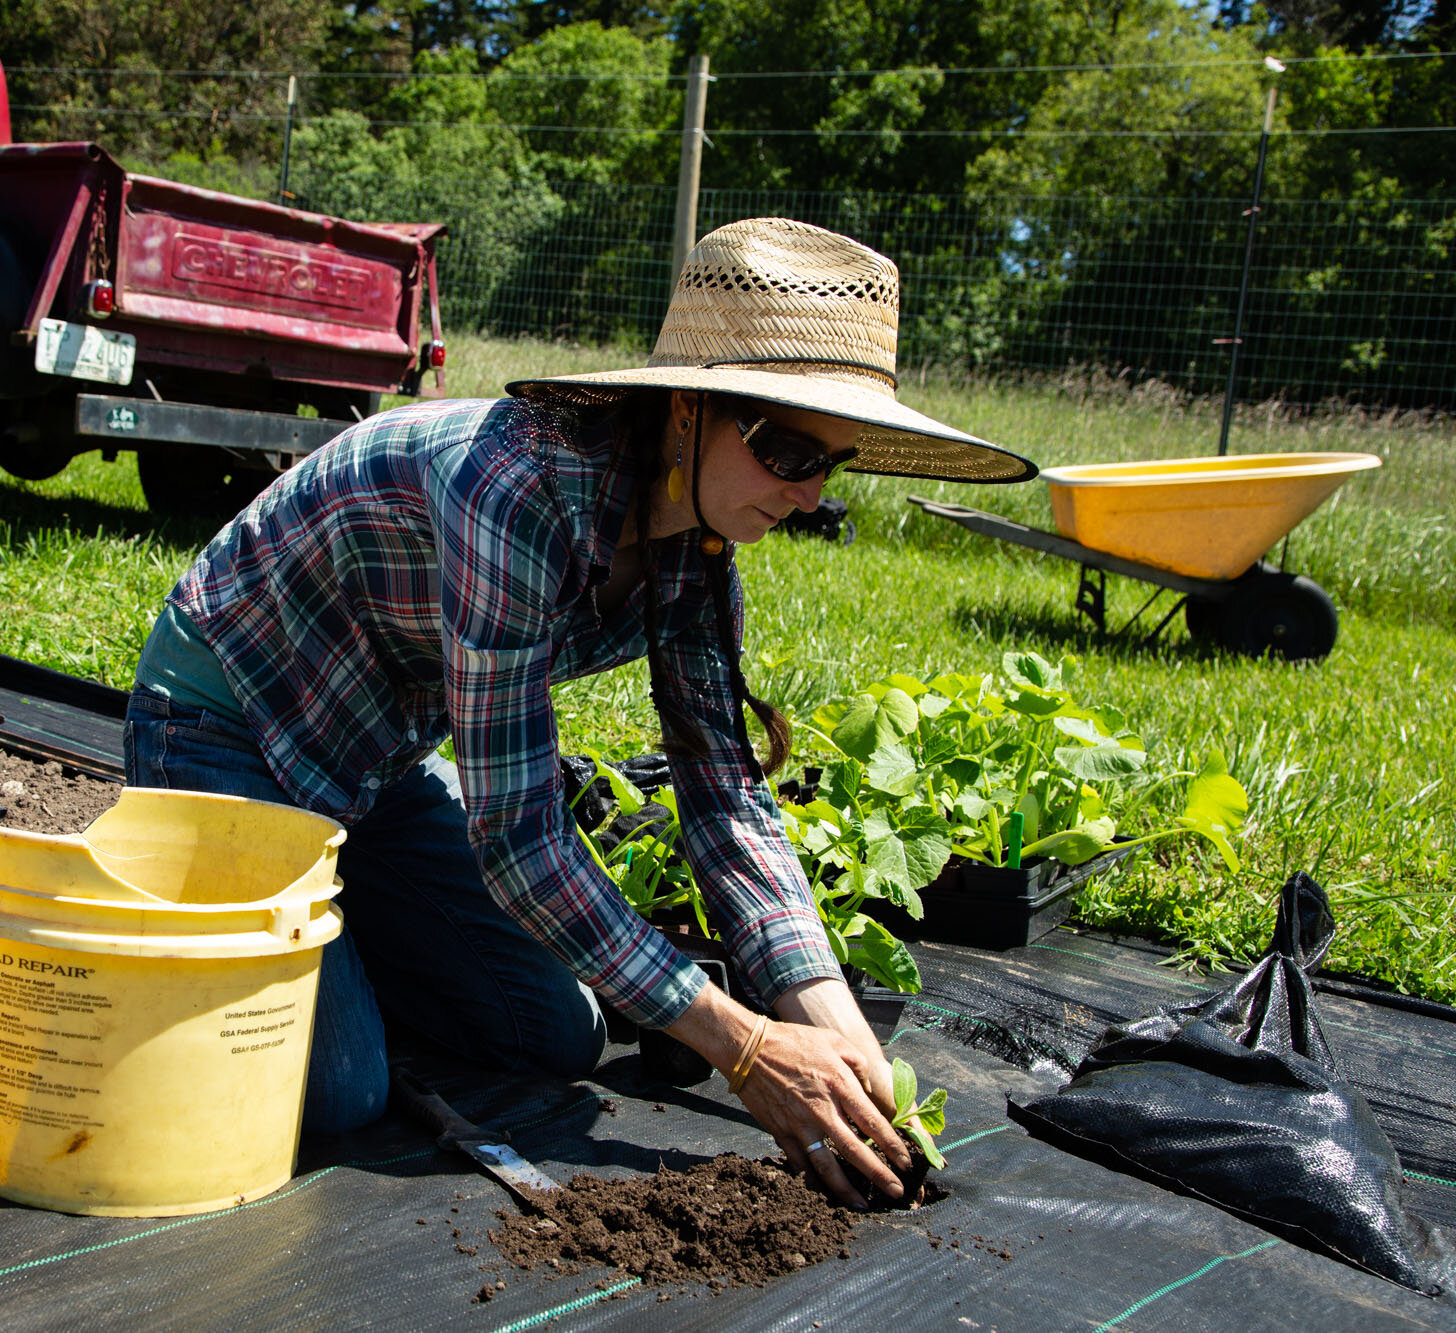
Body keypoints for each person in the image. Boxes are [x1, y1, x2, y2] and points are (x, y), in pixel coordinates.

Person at [121, 218, 1036, 1206]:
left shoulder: (698, 559)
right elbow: (517, 837)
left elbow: (725, 805)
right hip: (232, 721)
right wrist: (747, 1049)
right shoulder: (510, 487)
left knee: (553, 1031)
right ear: (687, 408)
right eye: (784, 450)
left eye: (833, 464)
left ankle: (314, 942)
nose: (809, 493)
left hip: (374, 761)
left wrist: (829, 1026)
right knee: (343, 1092)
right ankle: (174, 963)